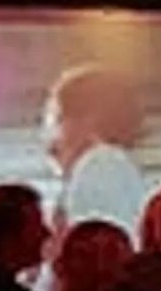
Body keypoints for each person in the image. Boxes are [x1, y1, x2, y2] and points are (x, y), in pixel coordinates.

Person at [44, 63, 147, 243]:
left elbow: (95, 257)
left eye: (59, 120)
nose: (52, 144)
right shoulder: (114, 168)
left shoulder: (101, 166)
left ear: (89, 121)